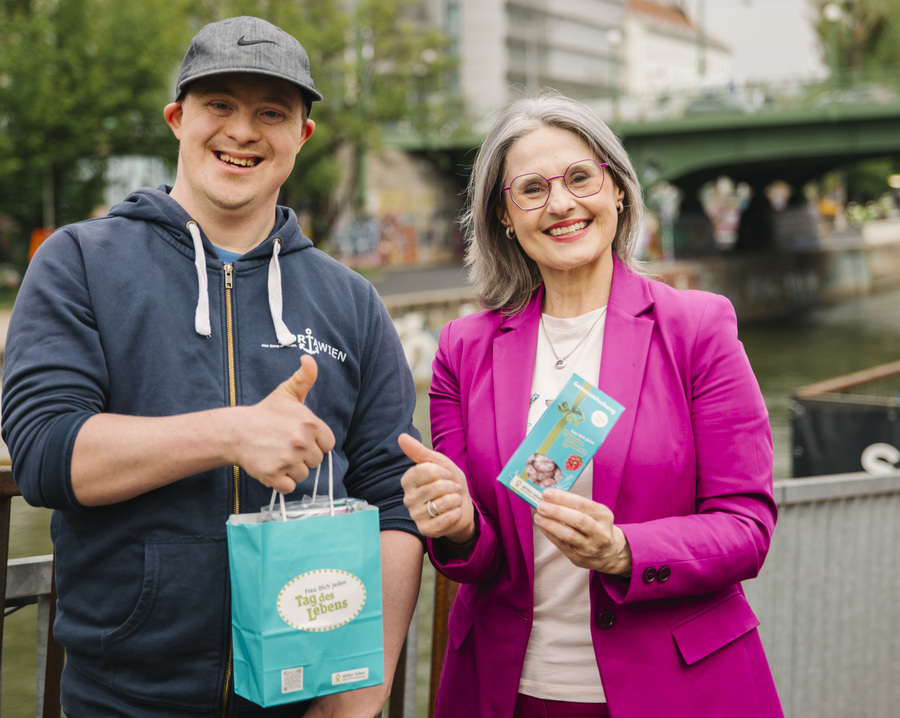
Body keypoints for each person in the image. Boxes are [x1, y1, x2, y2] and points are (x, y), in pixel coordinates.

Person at [1, 16, 423, 718]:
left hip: (307, 695)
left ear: (301, 137)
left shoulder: (353, 302)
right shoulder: (77, 262)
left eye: (271, 112)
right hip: (122, 699)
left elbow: (394, 501)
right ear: (177, 118)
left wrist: (357, 701)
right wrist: (231, 434)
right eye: (219, 104)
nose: (243, 130)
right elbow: (46, 455)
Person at [398, 91, 783, 718]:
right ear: (503, 214)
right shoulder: (463, 349)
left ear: (618, 189)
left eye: (580, 177)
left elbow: (747, 527)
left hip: (676, 687)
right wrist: (456, 522)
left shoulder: (698, 327)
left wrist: (625, 551)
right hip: (505, 689)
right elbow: (478, 554)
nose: (561, 203)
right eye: (531, 189)